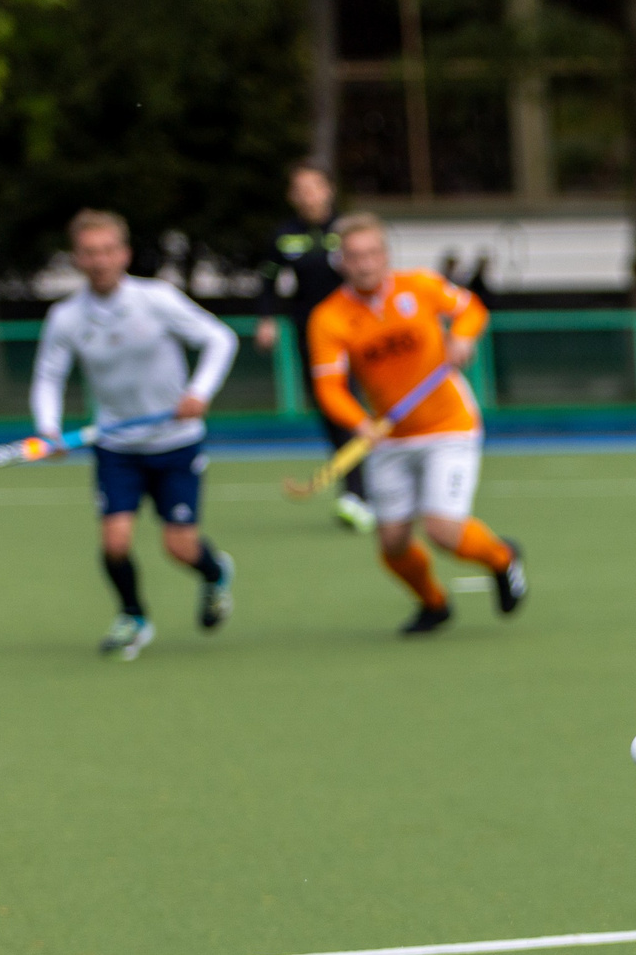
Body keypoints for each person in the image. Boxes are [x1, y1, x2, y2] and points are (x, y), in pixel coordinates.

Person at [304, 214, 527, 635]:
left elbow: (471, 310)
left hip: (448, 425)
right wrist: (360, 423)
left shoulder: (419, 286)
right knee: (392, 544)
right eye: (354, 256)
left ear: (385, 255)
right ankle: (434, 604)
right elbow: (329, 388)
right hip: (389, 438)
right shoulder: (328, 318)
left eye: (372, 254)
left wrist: (462, 337)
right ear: (342, 263)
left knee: (442, 530)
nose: (365, 264)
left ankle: (503, 559)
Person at [31, 209, 238, 661]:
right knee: (115, 542)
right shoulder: (66, 317)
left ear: (123, 253)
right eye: (90, 252)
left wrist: (199, 392)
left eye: (108, 250)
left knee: (180, 547)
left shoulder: (156, 299)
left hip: (176, 442)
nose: (100, 260)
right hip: (116, 446)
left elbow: (220, 339)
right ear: (77, 259)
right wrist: (47, 428)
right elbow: (49, 377)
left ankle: (215, 572)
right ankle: (133, 617)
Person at [254, 163, 372, 533]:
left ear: (329, 190)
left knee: (356, 407)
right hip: (312, 336)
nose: (309, 196)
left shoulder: (346, 233)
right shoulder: (285, 236)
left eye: (315, 187)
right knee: (332, 408)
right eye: (300, 189)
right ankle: (355, 491)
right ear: (293, 196)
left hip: (355, 333)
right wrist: (267, 318)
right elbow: (268, 281)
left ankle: (361, 491)